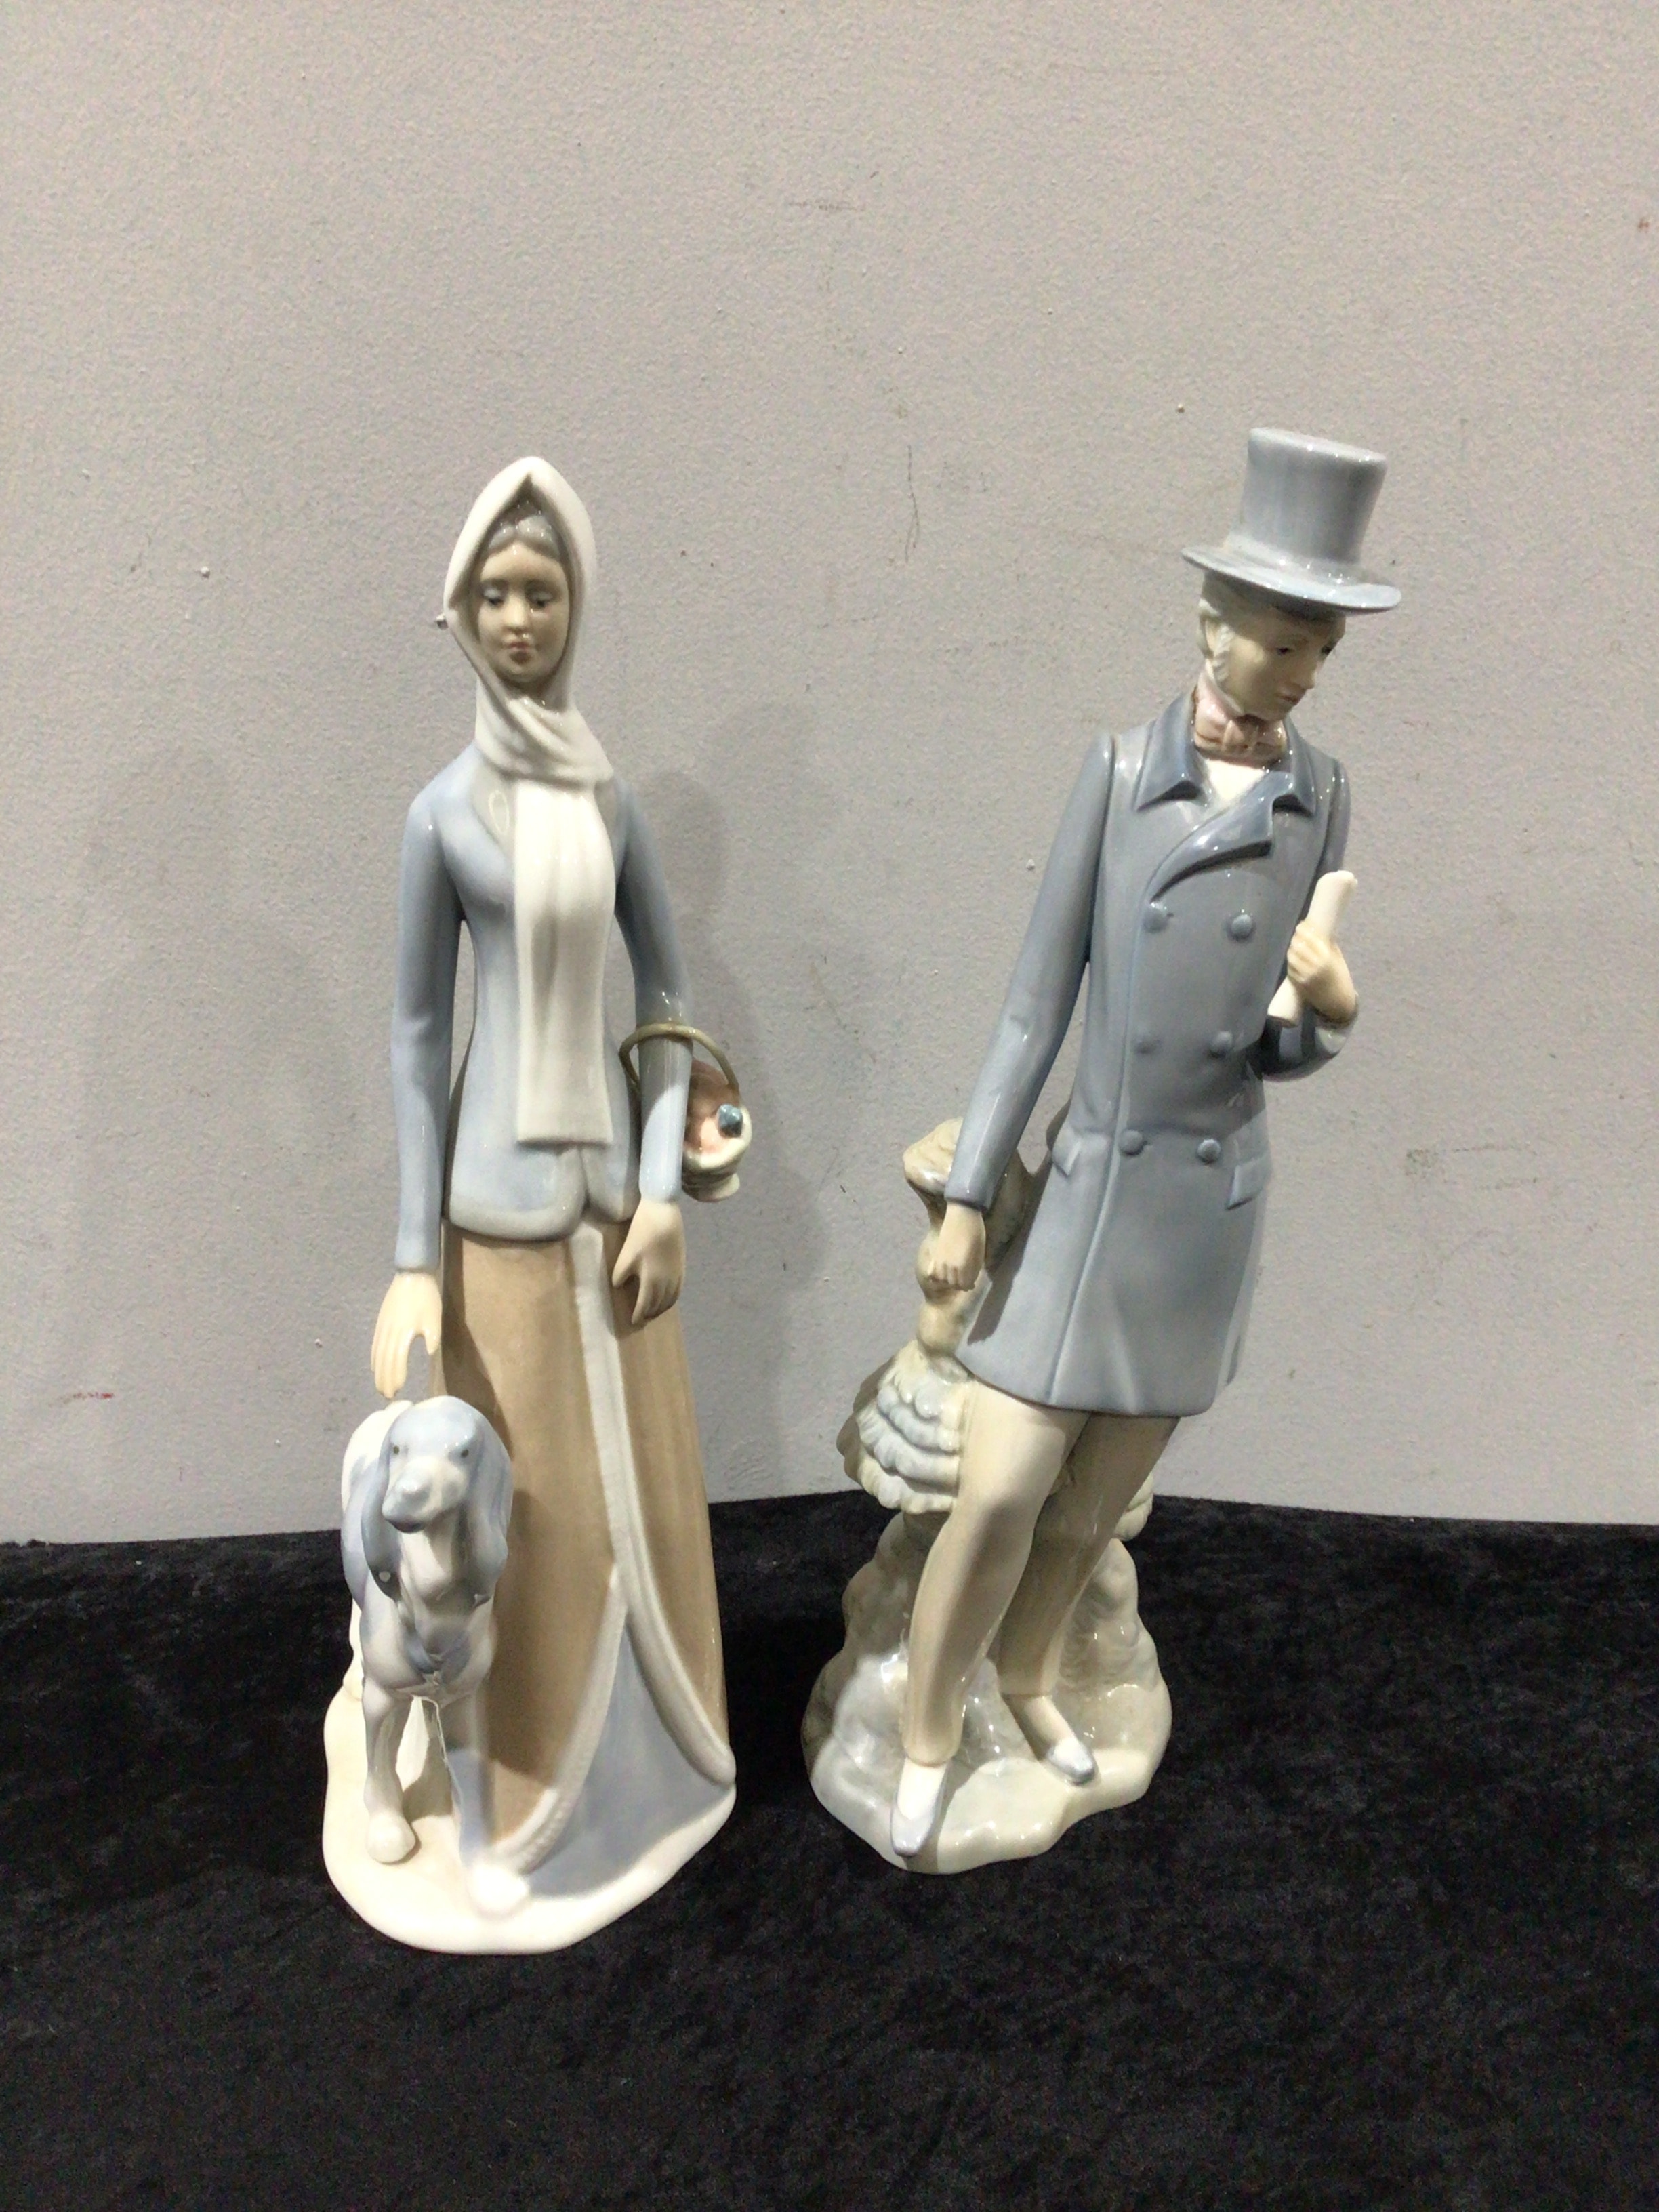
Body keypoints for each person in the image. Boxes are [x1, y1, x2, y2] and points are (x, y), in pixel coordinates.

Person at [890, 430, 1399, 1858]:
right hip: (1095, 1194)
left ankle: (1028, 1677)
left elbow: (1270, 1045)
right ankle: (925, 1733)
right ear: (1211, 624)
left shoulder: (1322, 799)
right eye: (1282, 642)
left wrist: (1330, 1013)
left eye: (1322, 651)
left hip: (1207, 1206)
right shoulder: (1120, 776)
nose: (1300, 675)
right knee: (1002, 1488)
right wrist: (970, 1197)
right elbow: (1033, 1006)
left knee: (1093, 1512)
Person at [365, 457, 733, 1927]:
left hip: (614, 1219)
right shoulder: (440, 816)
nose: (521, 619)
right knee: (530, 1520)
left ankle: (659, 1769)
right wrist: (412, 1253)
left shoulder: (608, 797)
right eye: (498, 595)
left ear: (578, 608)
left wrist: (664, 1186)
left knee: (640, 1497)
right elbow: (415, 1036)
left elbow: (669, 998)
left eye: (545, 592)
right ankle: (515, 1801)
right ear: (463, 613)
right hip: (497, 1222)